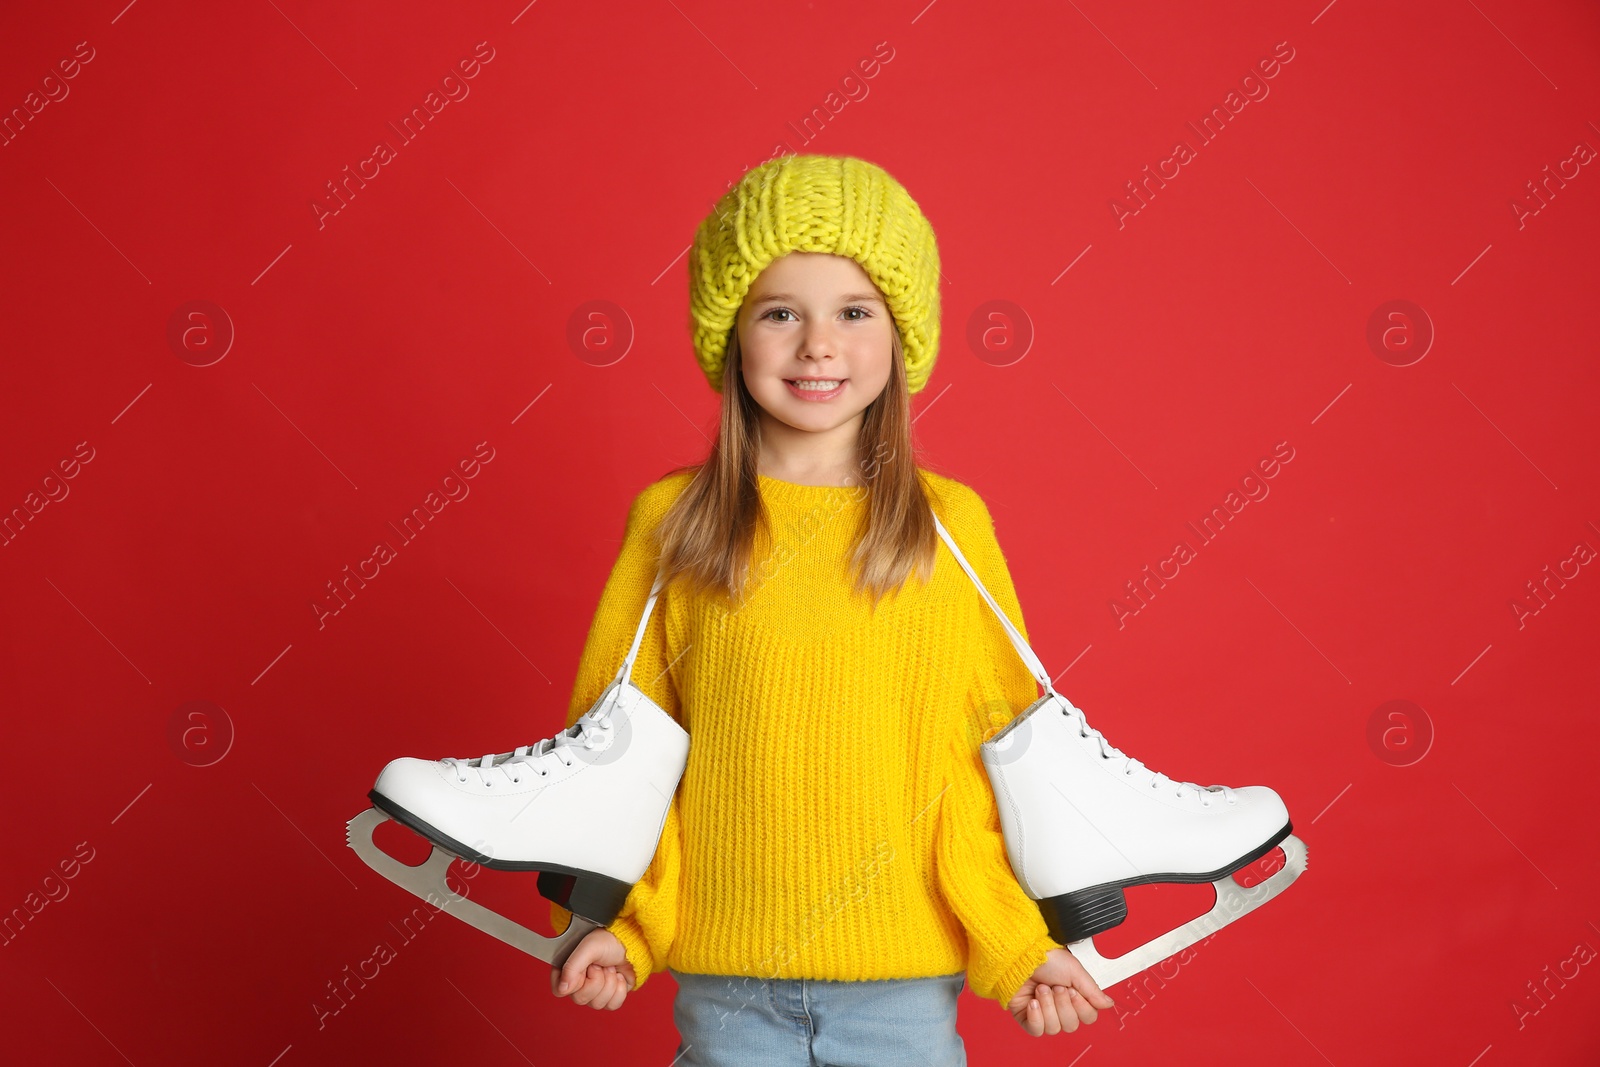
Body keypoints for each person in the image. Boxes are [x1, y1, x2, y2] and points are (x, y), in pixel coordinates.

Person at [546, 154, 1114, 1063]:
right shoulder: (675, 524)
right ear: (732, 336)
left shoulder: (947, 529)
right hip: (727, 988)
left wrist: (1018, 944)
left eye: (855, 312)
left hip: (906, 993)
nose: (819, 344)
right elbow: (617, 750)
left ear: (901, 336)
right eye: (781, 312)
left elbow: (990, 763)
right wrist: (618, 923)